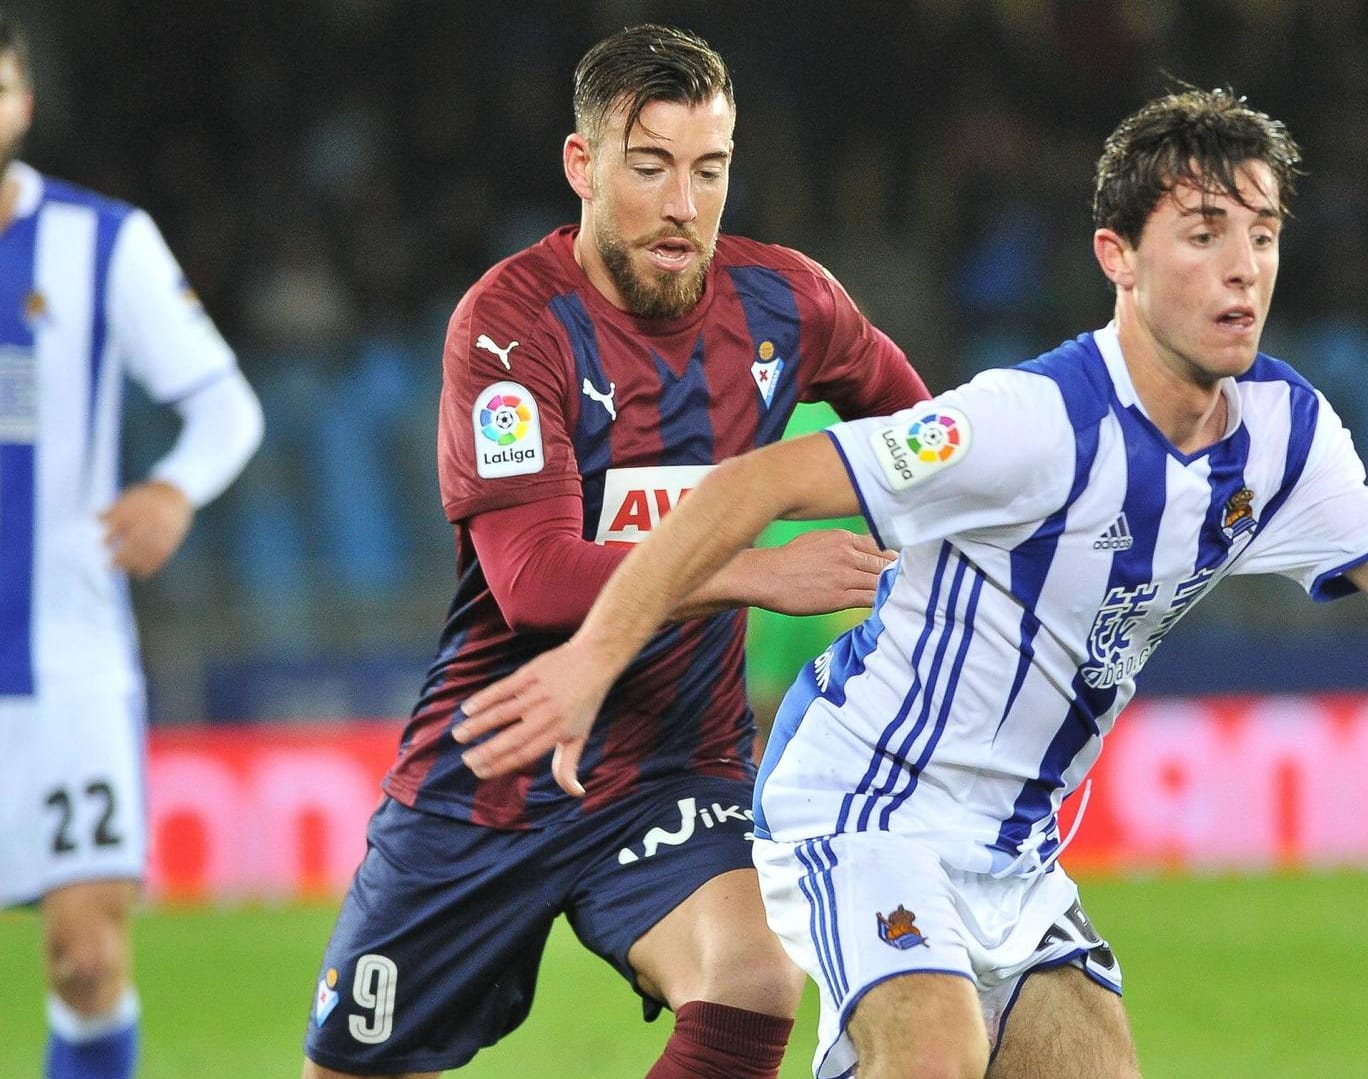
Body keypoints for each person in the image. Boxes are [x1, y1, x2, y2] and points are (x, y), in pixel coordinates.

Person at [455, 86, 1368, 1078]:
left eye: (1263, 233)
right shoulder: (1029, 422)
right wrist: (597, 653)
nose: (1244, 266)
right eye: (1203, 233)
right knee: (932, 1049)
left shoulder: (1286, 437)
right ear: (1118, 258)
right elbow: (747, 485)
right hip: (861, 801)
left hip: (1017, 850)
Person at [300, 23, 928, 1079]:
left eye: (710, 169)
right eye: (651, 168)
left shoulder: (788, 304)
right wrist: (754, 570)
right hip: (487, 773)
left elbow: (932, 444)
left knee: (755, 977)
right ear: (583, 166)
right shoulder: (510, 327)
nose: (684, 204)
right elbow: (537, 581)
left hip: (670, 766)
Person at [0, 15, 265, 1079]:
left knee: (85, 958)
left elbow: (227, 409)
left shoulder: (102, 240)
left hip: (67, 661)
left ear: (19, 102)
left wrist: (171, 488)